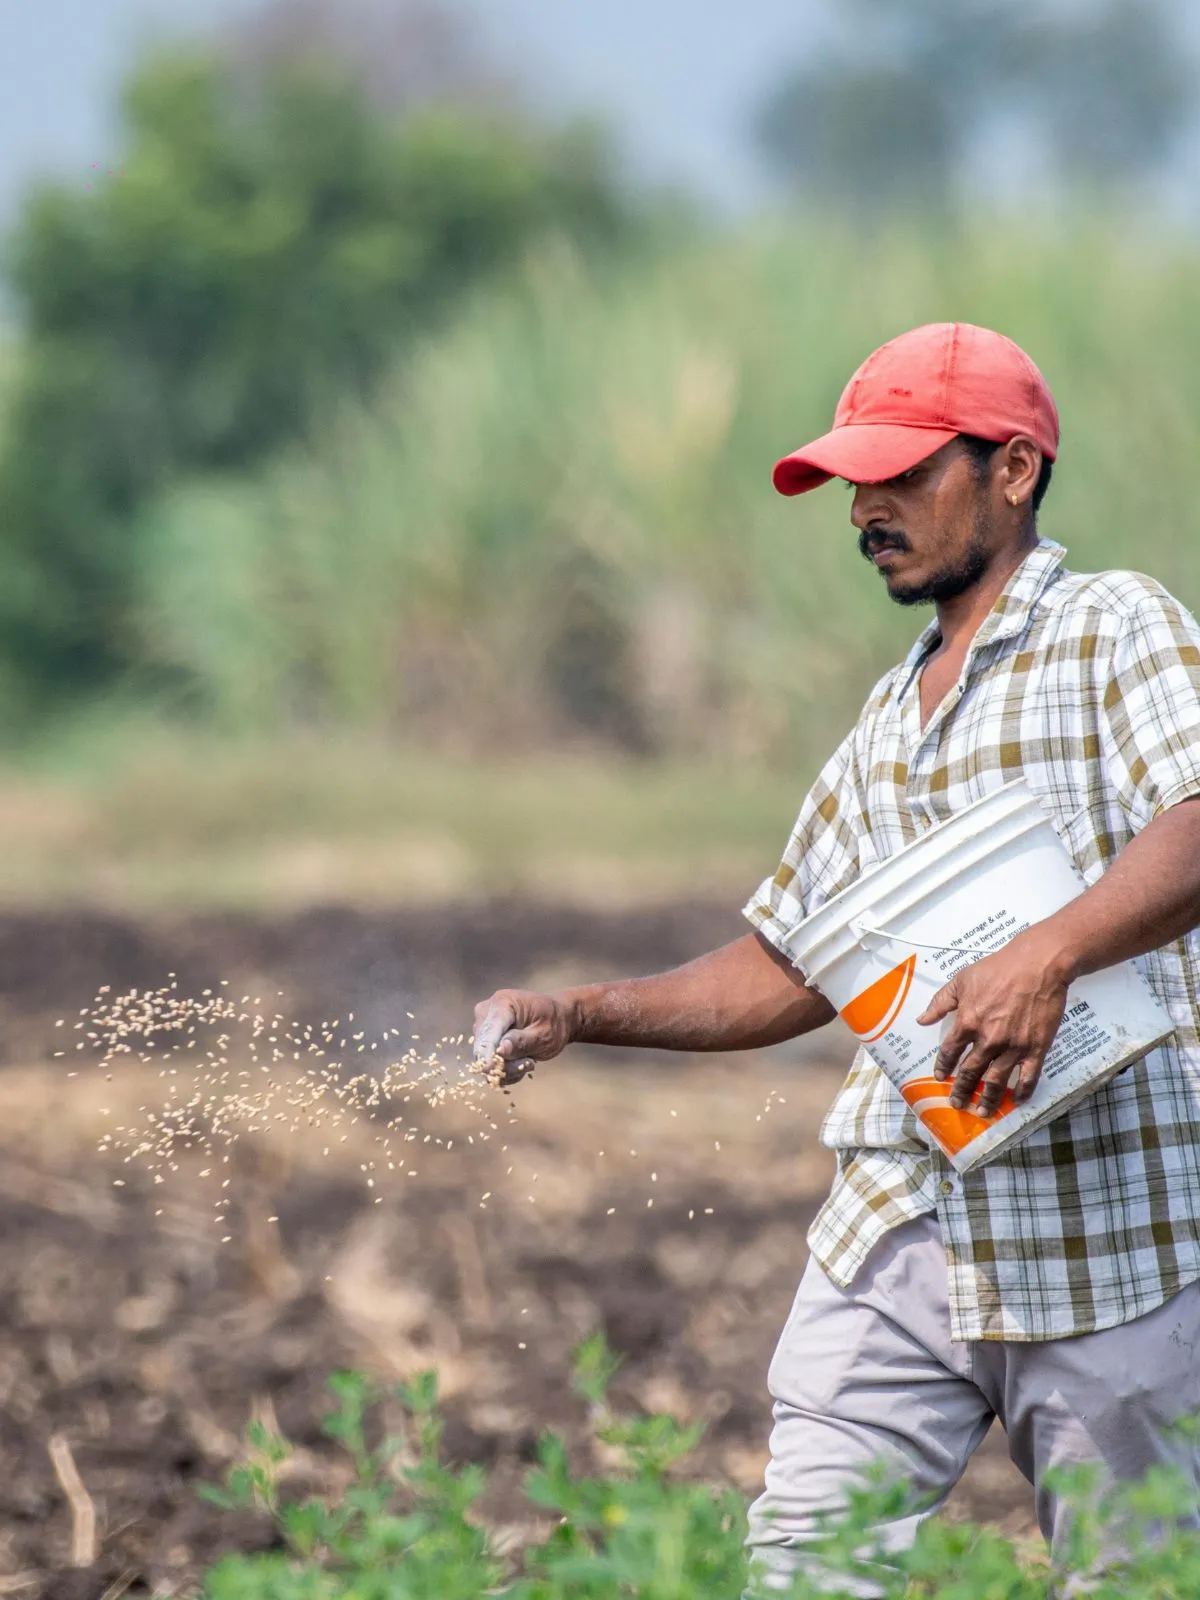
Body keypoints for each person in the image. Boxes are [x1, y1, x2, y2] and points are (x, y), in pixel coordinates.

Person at [471, 322, 1200, 1591]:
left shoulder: (1113, 629)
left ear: (1013, 469)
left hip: (1112, 1225)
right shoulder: (887, 718)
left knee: (1137, 1574)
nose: (867, 506)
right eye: (856, 482)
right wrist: (580, 1010)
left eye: (904, 473)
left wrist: (1050, 955)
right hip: (911, 1213)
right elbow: (792, 961)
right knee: (808, 1557)